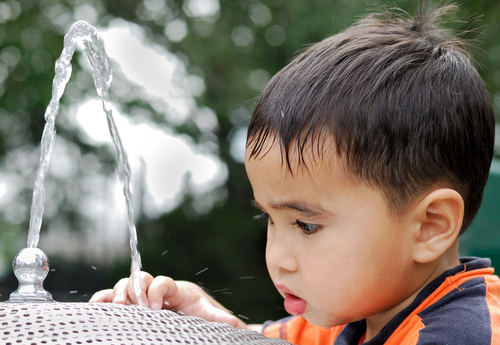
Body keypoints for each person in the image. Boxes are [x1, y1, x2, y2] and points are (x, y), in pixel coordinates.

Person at [90, 1, 500, 344]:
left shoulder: (461, 335)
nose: (277, 260)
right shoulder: (361, 316)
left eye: (305, 225)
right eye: (270, 219)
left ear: (429, 226)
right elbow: (262, 340)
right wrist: (212, 324)